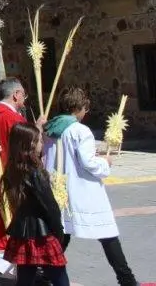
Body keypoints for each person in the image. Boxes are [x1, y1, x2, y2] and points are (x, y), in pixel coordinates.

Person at [44, 87, 144, 286]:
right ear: (79, 107)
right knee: (108, 234)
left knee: (62, 233)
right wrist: (105, 162)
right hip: (83, 191)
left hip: (59, 188)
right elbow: (88, 163)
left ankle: (45, 273)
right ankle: (126, 279)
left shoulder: (50, 128)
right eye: (85, 109)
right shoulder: (80, 131)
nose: (85, 113)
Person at [2, 123, 69, 286]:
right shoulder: (35, 172)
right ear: (30, 145)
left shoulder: (13, 168)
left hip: (22, 233)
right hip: (42, 233)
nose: (42, 144)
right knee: (59, 277)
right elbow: (49, 205)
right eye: (39, 141)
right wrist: (58, 230)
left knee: (25, 278)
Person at [0, 77, 35, 254]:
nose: (24, 100)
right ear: (16, 95)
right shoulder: (13, 118)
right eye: (23, 95)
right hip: (10, 174)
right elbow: (27, 149)